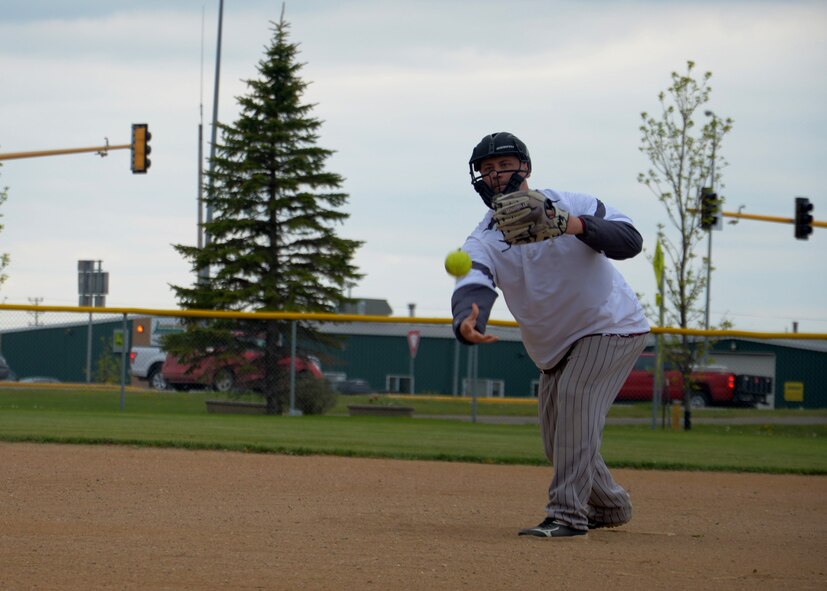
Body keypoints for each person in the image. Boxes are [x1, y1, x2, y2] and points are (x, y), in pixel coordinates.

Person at [451, 132, 650, 538]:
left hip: (610, 325)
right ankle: (610, 505)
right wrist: (468, 317)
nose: (494, 175)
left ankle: (568, 516)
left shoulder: (570, 203)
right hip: (555, 348)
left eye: (503, 165)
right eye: (486, 169)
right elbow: (474, 280)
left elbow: (630, 241)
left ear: (525, 168)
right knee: (558, 441)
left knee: (576, 406)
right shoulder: (485, 237)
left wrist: (570, 225)